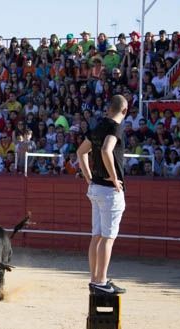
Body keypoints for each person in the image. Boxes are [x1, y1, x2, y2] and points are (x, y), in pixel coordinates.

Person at [76, 94, 128, 295]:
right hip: (108, 191)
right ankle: (101, 280)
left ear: (108, 108)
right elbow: (107, 150)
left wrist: (89, 178)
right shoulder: (115, 127)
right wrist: (114, 178)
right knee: (107, 238)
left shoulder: (98, 126)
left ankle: (95, 279)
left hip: (95, 188)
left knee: (96, 236)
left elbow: (81, 152)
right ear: (124, 111)